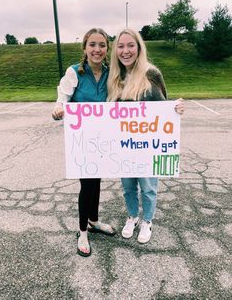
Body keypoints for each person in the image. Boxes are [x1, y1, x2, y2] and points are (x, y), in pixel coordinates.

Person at [107, 28, 184, 244]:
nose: (126, 51)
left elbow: (164, 107)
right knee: (128, 187)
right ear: (116, 51)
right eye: (121, 46)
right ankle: (132, 216)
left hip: (147, 145)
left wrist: (175, 109)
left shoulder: (151, 73)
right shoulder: (114, 77)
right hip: (124, 146)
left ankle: (147, 220)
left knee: (148, 187)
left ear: (139, 48)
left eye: (131, 45)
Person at [52, 28, 116, 257]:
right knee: (87, 184)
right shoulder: (74, 72)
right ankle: (82, 232)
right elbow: (63, 97)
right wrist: (59, 108)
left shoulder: (112, 72)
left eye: (102, 45)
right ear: (85, 47)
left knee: (96, 181)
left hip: (104, 138)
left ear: (107, 49)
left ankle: (94, 221)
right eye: (92, 45)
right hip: (82, 140)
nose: (97, 49)